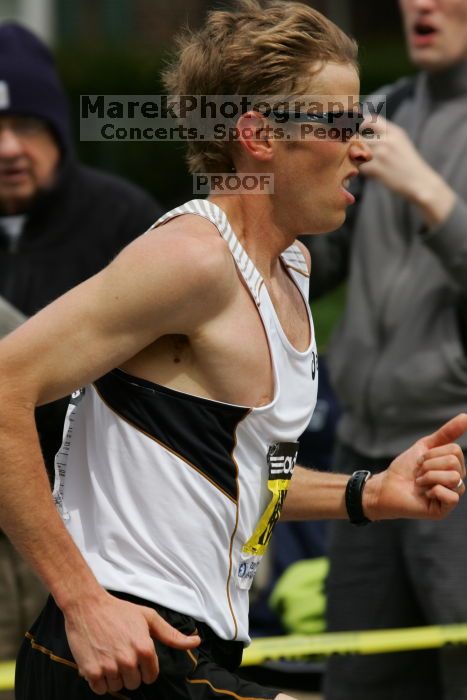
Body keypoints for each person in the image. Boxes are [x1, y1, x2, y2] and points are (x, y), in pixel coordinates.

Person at [0, 2, 465, 699]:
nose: (363, 147)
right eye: (339, 124)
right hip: (118, 650)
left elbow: (236, 475)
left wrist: (370, 493)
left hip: (190, 649)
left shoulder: (292, 269)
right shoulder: (192, 259)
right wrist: (82, 602)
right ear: (257, 136)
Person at [302, 1, 467, 699]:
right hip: (362, 454)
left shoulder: (400, 143)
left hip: (454, 456)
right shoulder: (378, 110)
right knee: (358, 681)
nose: (420, 4)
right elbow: (312, 258)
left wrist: (430, 194)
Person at [0, 22, 163, 694]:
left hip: (89, 540)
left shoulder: (124, 221)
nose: (8, 148)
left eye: (29, 126)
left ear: (61, 134)